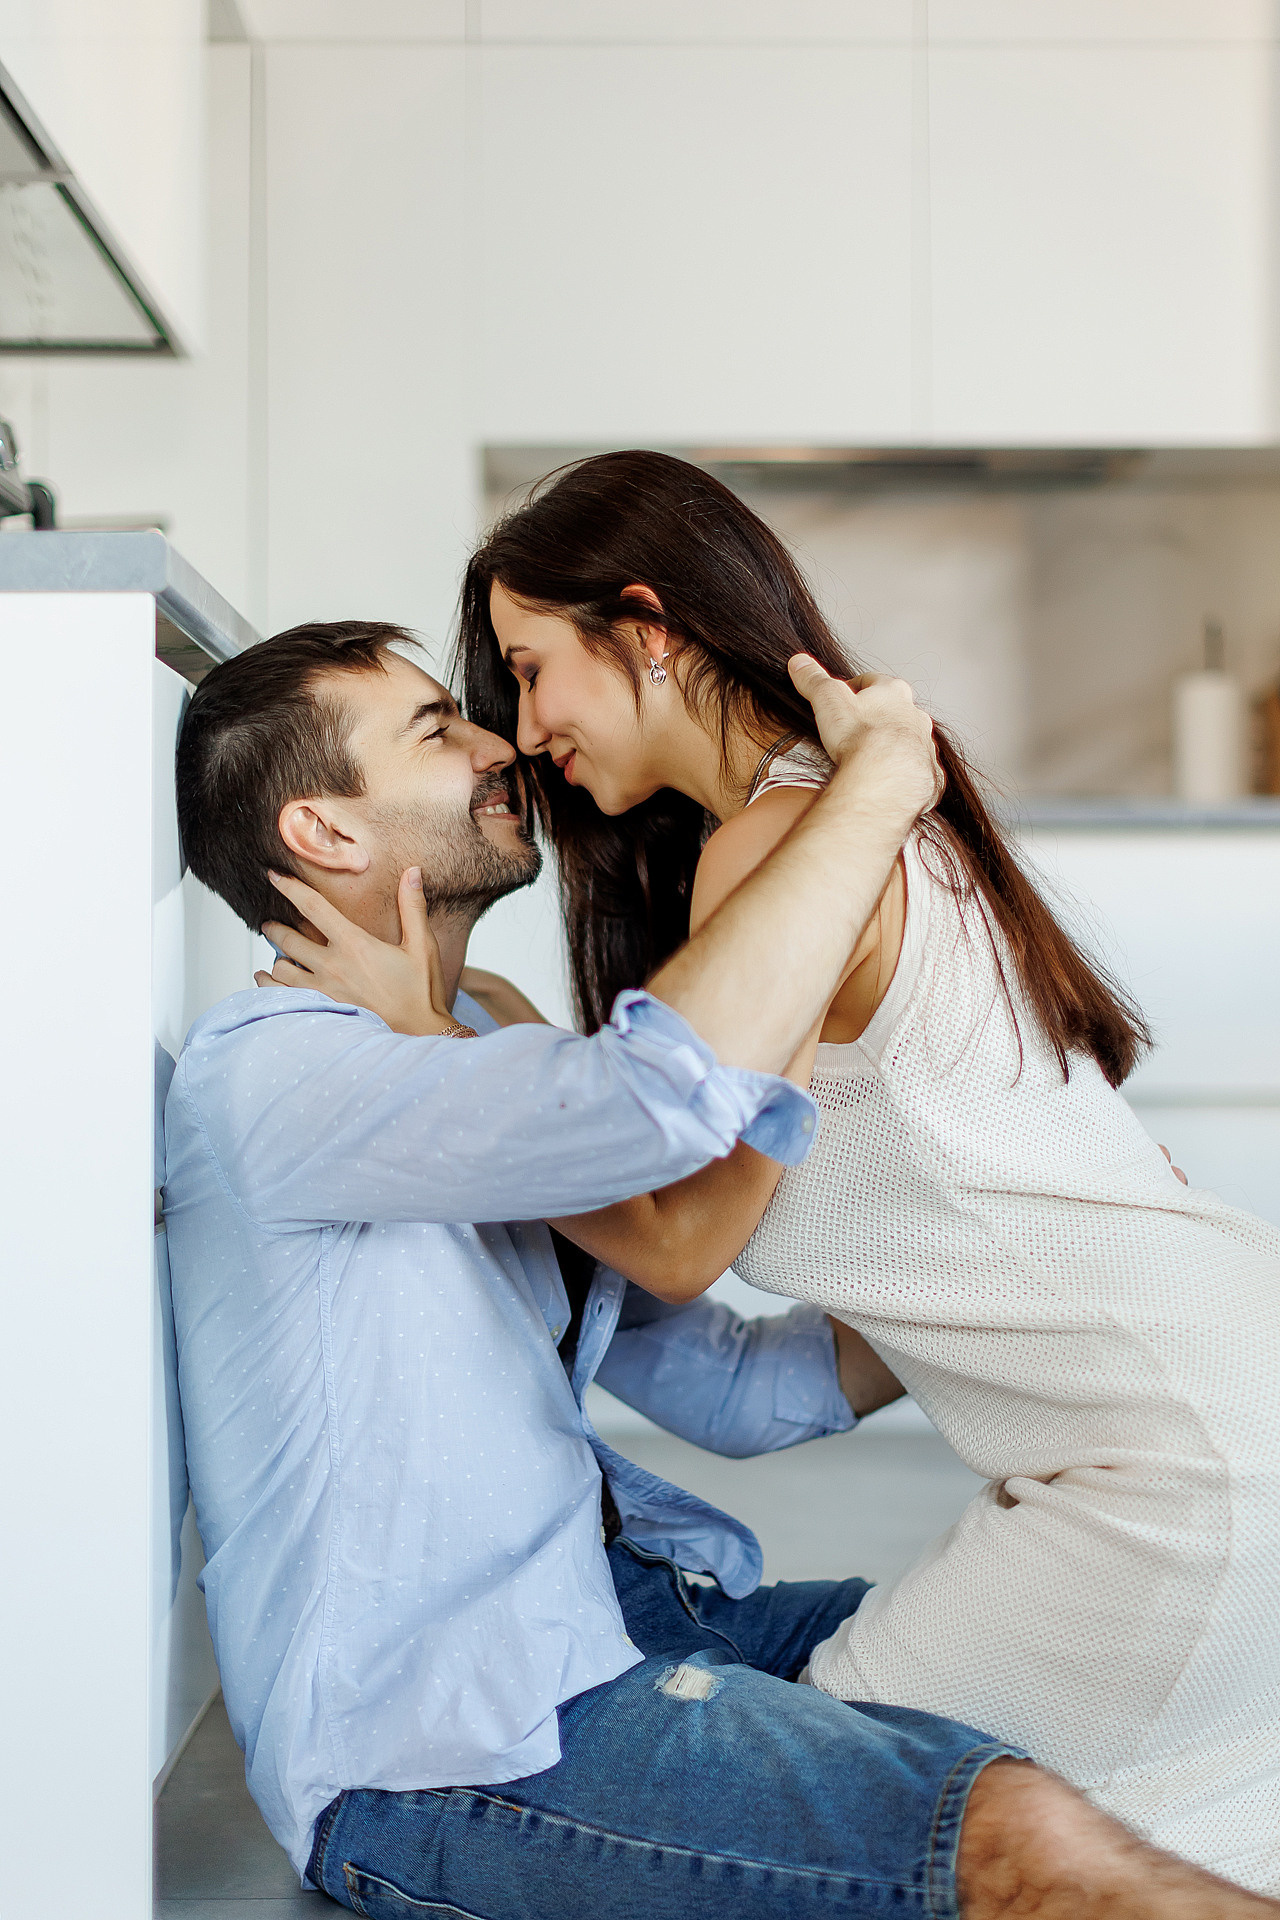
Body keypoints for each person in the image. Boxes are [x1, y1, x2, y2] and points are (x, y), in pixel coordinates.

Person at [164, 620, 1276, 1920]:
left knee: (1069, 1668)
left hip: (618, 1622)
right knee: (1011, 1825)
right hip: (448, 1751)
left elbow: (744, 1390)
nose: (504, 741)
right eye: (438, 728)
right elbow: (651, 1103)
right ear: (327, 835)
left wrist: (1046, 1243)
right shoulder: (281, 1076)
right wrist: (866, 794)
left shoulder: (460, 1052)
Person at [423, 449, 1276, 1896]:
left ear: (645, 622)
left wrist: (474, 1079)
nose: (523, 726)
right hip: (1213, 1389)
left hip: (1173, 1469)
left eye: (529, 666)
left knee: (829, 1830)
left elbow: (683, 1239)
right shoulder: (853, 813)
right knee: (1142, 1850)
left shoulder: (782, 838)